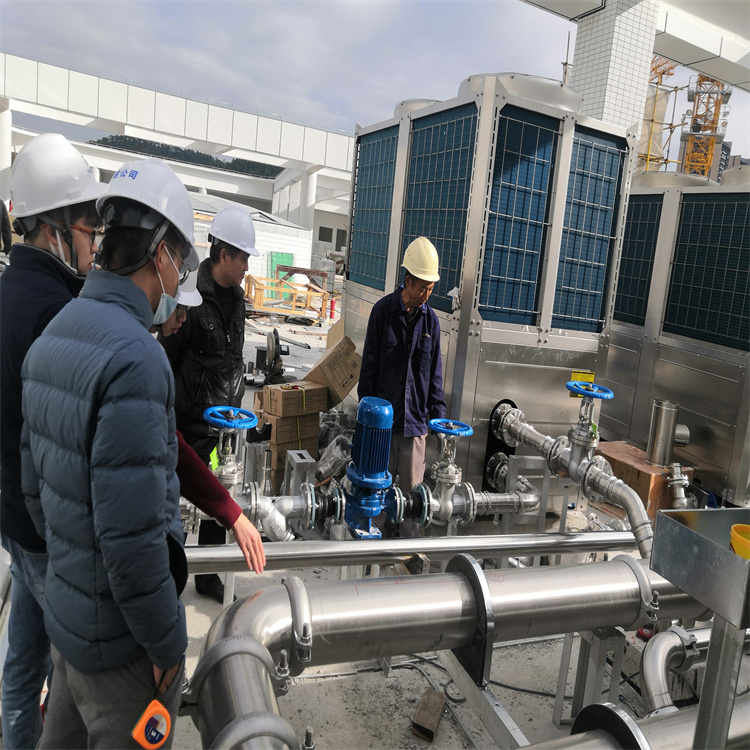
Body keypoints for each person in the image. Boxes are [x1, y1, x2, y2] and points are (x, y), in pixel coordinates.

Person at [20, 157, 198, 748]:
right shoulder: (136, 359)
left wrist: (75, 569)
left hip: (69, 625)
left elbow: (34, 490)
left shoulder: (56, 331)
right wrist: (168, 641)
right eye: (179, 265)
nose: (178, 286)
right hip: (122, 650)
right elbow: (135, 538)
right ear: (161, 254)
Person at [0, 132, 104, 750]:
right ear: (54, 228)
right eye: (88, 222)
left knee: (22, 655)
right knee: (80, 672)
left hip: (11, 513)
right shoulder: (55, 310)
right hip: (45, 527)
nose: (95, 237)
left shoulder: (9, 291)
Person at [159, 204, 259, 602]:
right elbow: (166, 356)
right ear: (224, 256)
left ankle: (208, 576)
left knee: (222, 492)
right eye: (244, 258)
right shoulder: (192, 297)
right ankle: (169, 574)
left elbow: (233, 356)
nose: (247, 267)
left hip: (225, 424)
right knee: (181, 501)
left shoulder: (237, 299)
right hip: (190, 423)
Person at [358, 236, 447, 534]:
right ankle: (373, 544)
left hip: (415, 426)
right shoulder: (382, 313)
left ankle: (407, 550)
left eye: (431, 289)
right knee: (377, 489)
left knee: (414, 497)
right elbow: (368, 369)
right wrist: (368, 421)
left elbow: (435, 375)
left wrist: (439, 419)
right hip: (383, 427)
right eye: (422, 287)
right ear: (407, 281)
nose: (426, 294)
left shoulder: (431, 322)